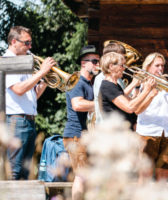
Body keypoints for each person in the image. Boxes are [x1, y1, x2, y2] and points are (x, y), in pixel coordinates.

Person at [4, 26, 55, 180]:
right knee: (14, 171)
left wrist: (46, 81)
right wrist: (42, 72)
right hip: (16, 122)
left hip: (28, 121)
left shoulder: (23, 62)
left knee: (25, 173)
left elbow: (33, 96)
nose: (30, 47)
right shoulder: (8, 61)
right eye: (27, 43)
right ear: (14, 42)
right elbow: (19, 89)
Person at [134, 52, 168, 181]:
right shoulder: (142, 84)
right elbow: (137, 110)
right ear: (148, 67)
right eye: (157, 65)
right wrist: (150, 93)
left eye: (162, 66)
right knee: (145, 176)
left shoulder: (167, 84)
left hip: (166, 134)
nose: (160, 69)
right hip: (148, 133)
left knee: (163, 177)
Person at [62, 45, 99, 200]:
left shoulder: (89, 83)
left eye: (98, 61)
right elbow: (77, 105)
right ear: (84, 63)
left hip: (83, 134)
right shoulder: (77, 81)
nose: (98, 64)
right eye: (94, 61)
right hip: (75, 135)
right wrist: (101, 104)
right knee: (81, 176)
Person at [98, 52, 156, 129]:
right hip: (117, 135)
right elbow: (130, 107)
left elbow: (133, 104)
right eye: (121, 65)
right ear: (111, 66)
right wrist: (146, 90)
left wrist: (145, 91)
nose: (124, 68)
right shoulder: (108, 86)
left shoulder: (115, 85)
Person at [92, 42, 139, 126]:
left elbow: (124, 97)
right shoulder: (101, 78)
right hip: (106, 125)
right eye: (121, 58)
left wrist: (138, 87)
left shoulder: (118, 78)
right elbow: (115, 95)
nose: (124, 62)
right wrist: (133, 84)